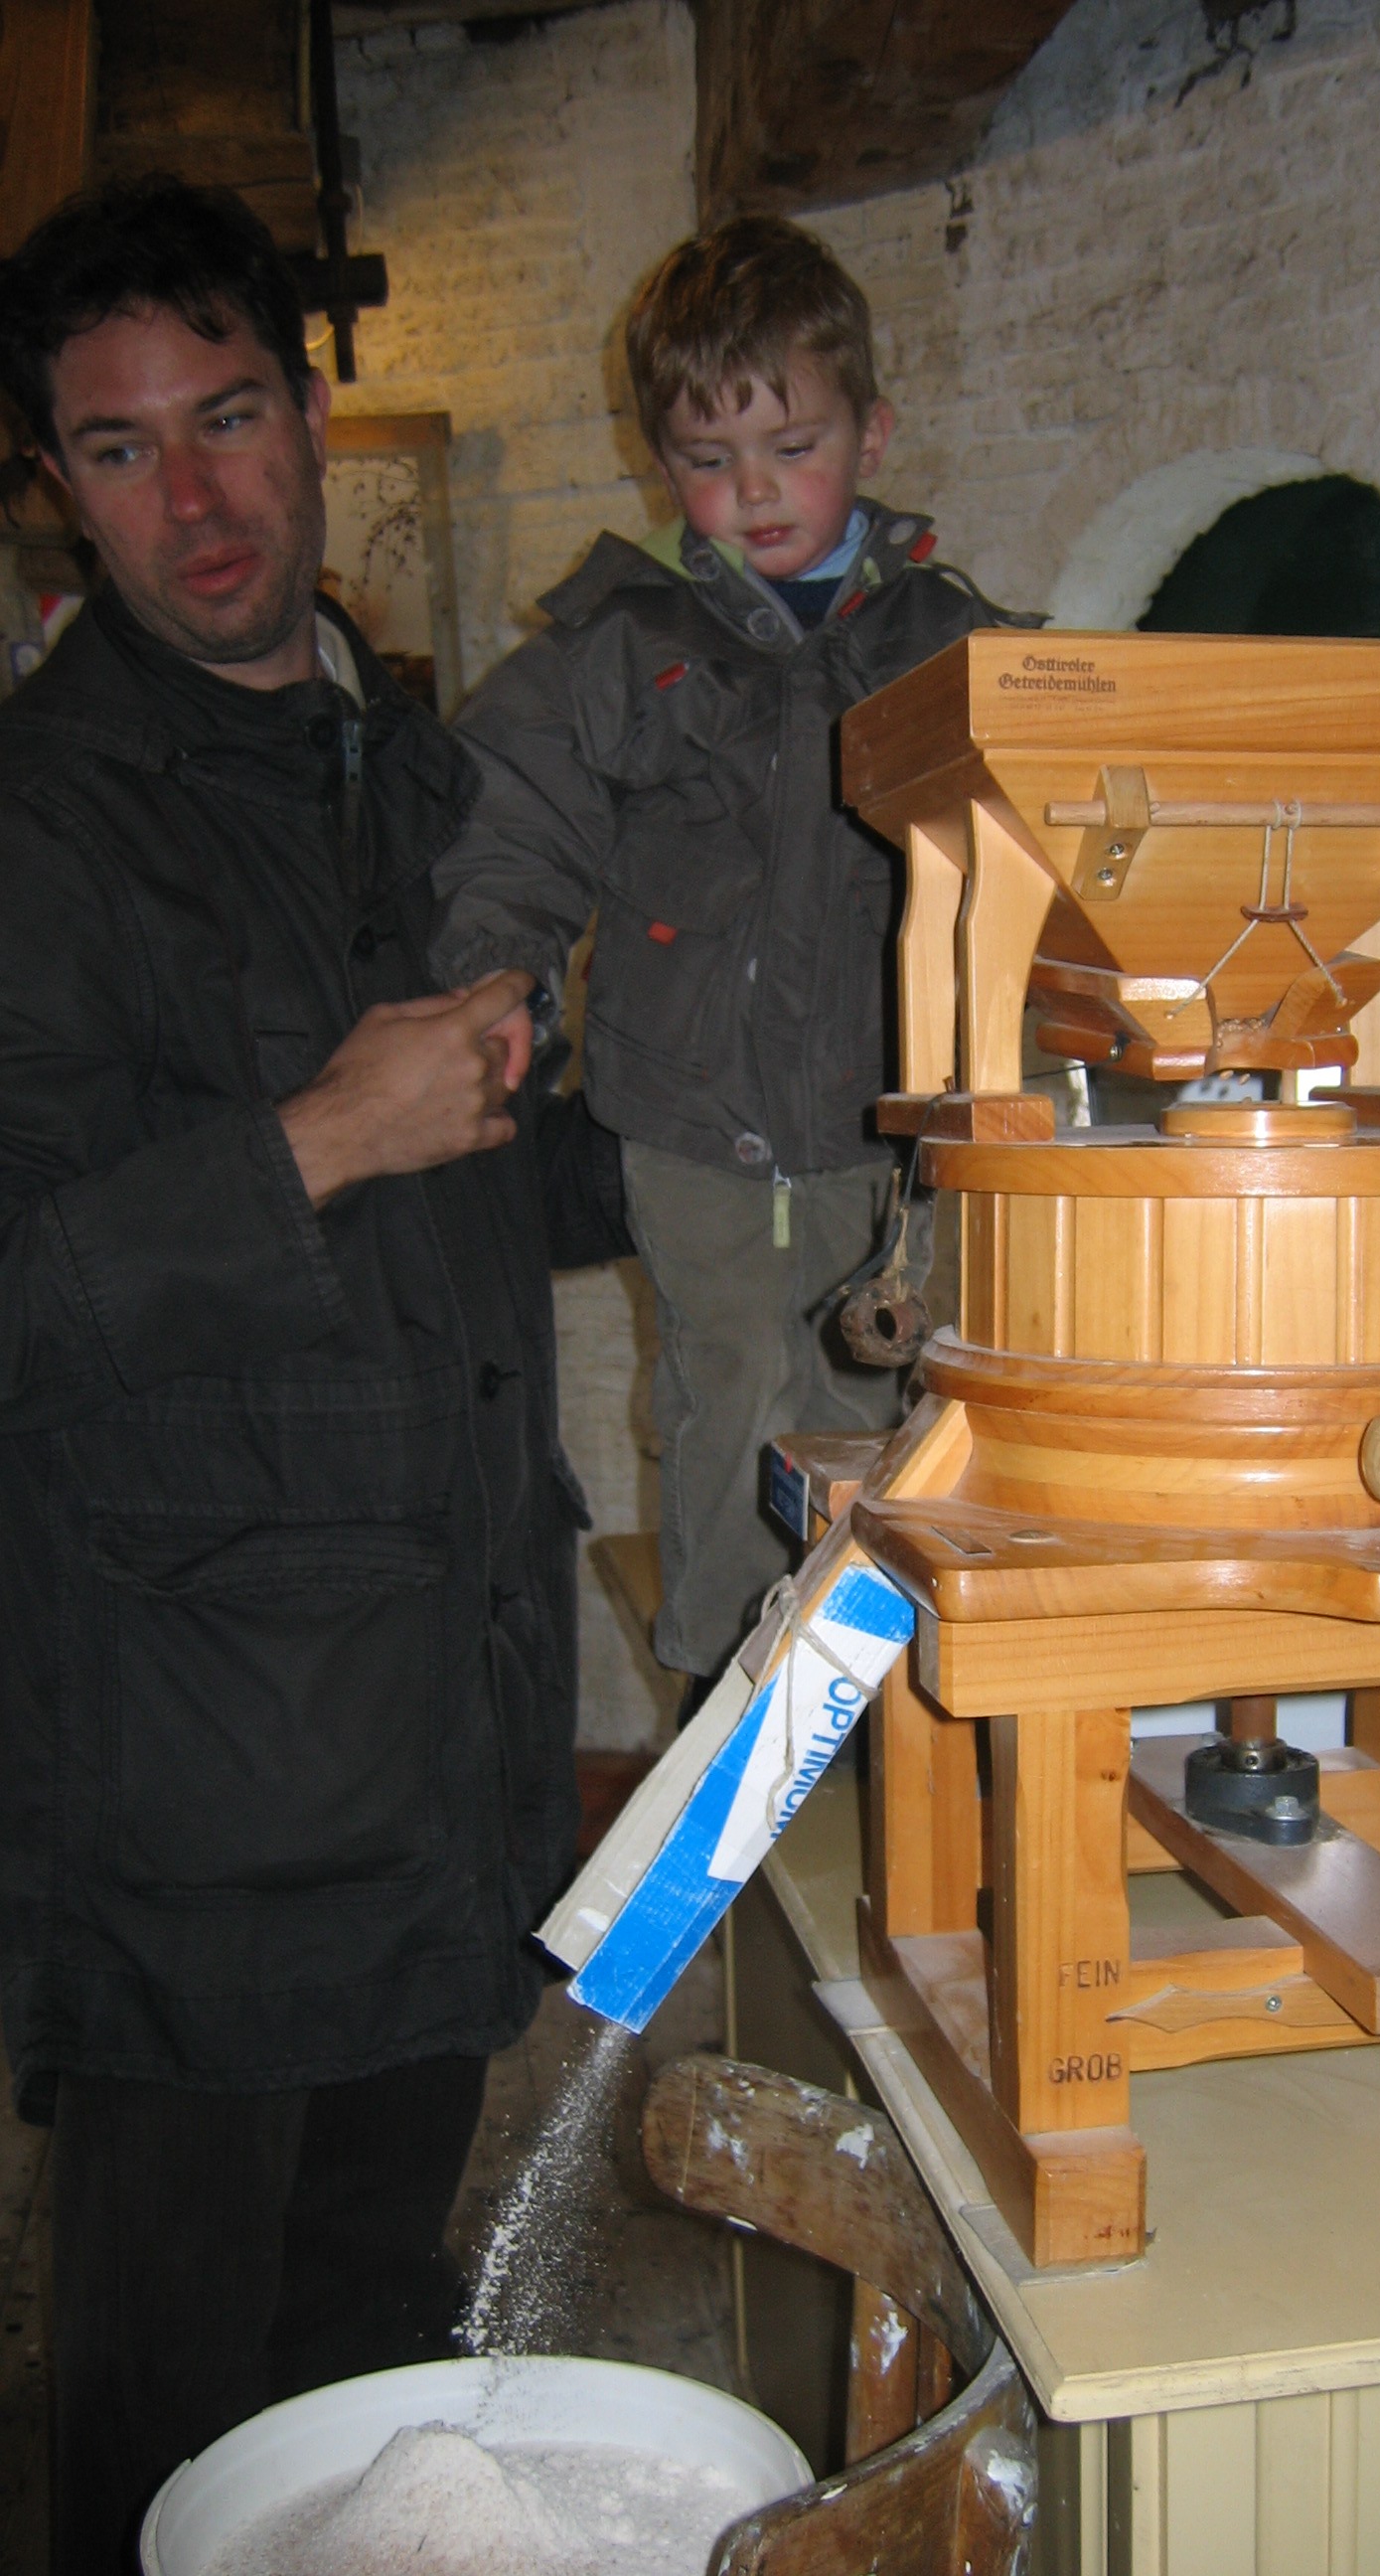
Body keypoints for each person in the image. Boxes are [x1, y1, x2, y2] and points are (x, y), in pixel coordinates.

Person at [0, 176, 629, 2571]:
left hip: (442, 1753)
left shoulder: (424, 779)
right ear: (59, 488)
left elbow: (495, 1204)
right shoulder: (41, 829)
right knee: (172, 2459)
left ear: (315, 413)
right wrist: (317, 1137)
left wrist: (755, 1122)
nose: (196, 495)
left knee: (375, 2404)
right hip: (200, 1825)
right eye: (120, 446)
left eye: (229, 414)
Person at [431, 216, 1037, 1703]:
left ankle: (885, 1704)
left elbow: (1047, 828)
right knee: (729, 1398)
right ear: (661, 464)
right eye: (708, 460)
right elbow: (511, 821)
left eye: (792, 447)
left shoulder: (951, 641)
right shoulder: (622, 642)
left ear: (871, 434)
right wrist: (501, 982)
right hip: (696, 1124)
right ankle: (724, 1701)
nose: (752, 493)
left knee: (899, 1405)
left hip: (893, 1126)